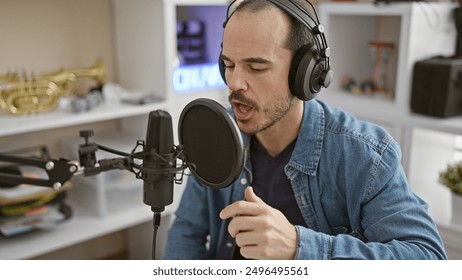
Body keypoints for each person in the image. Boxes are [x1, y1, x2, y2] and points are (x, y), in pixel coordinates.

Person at [164, 0, 447, 260]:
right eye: (228, 64)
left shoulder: (365, 155)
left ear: (306, 74)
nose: (235, 82)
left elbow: (428, 257)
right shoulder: (216, 134)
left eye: (257, 67)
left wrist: (299, 247)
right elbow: (187, 230)